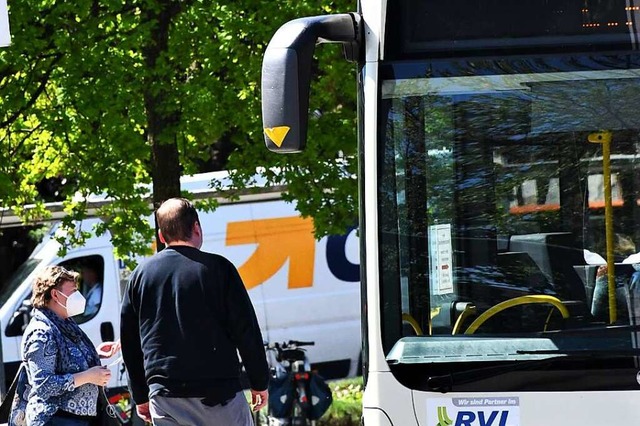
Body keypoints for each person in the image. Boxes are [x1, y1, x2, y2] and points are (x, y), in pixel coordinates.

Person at [120, 198, 269, 426]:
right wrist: (259, 381)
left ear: (161, 235)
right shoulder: (219, 269)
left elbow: (130, 343)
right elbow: (245, 329)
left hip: (165, 396)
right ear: (197, 228)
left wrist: (139, 395)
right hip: (219, 395)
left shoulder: (141, 276)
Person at [10, 266, 120, 426]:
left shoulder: (63, 322)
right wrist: (88, 376)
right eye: (73, 291)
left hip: (75, 419)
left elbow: (63, 359)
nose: (78, 295)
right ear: (55, 294)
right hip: (55, 419)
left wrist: (94, 353)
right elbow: (43, 384)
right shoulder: (41, 332)